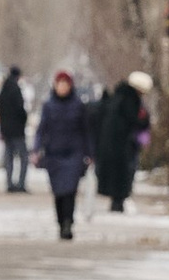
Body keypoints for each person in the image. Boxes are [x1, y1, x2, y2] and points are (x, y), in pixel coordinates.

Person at [31, 66, 90, 240]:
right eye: (60, 84)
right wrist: (36, 149)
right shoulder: (49, 106)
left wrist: (89, 153)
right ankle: (60, 221)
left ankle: (68, 223)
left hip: (74, 154)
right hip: (54, 154)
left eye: (65, 84)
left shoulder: (78, 106)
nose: (62, 87)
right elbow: (41, 129)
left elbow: (86, 131)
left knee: (70, 190)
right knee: (58, 191)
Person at [93, 71, 145, 214]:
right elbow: (133, 121)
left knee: (118, 174)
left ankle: (117, 201)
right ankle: (118, 201)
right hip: (122, 145)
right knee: (122, 174)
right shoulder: (129, 101)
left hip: (112, 145)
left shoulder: (117, 98)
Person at [0, 63, 29, 193]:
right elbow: (20, 109)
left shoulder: (3, 90)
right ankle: (21, 184)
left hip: (6, 130)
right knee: (23, 158)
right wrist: (24, 120)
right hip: (17, 130)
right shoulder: (16, 89)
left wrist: (2, 128)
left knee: (8, 157)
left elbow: (0, 110)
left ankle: (9, 183)